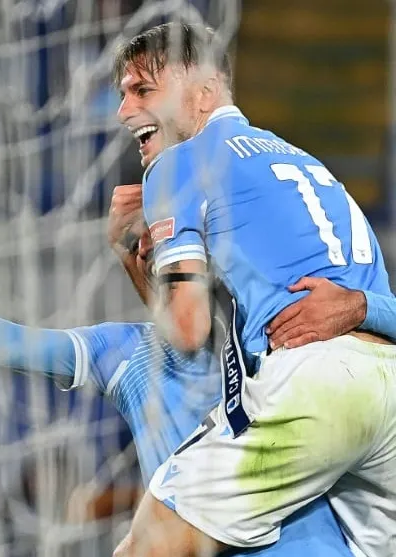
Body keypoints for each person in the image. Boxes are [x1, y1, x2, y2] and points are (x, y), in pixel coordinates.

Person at [0, 249, 395, 556]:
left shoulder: (272, 342)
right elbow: (8, 342)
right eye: (151, 259)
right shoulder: (124, 352)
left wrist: (362, 307)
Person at [115, 21, 396, 557]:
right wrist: (362, 307)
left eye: (143, 90)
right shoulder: (305, 162)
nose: (124, 111)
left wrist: (131, 255)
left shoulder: (178, 165)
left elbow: (189, 335)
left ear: (204, 93)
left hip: (317, 387)